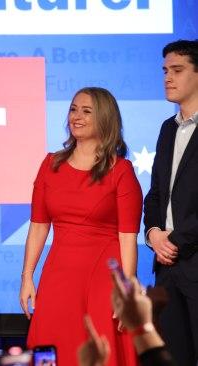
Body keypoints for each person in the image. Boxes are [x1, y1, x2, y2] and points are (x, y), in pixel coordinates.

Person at [19, 87, 143, 365]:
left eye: (86, 111)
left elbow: (127, 237)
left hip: (103, 279)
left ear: (105, 118)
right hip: (58, 275)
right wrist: (27, 276)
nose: (76, 116)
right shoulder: (50, 164)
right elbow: (39, 226)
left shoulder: (121, 171)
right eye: (74, 109)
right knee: (56, 345)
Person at [143, 39, 198, 365]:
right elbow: (156, 194)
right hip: (167, 269)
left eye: (177, 70)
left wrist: (174, 240)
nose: (168, 77)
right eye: (165, 70)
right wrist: (152, 233)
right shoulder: (167, 129)